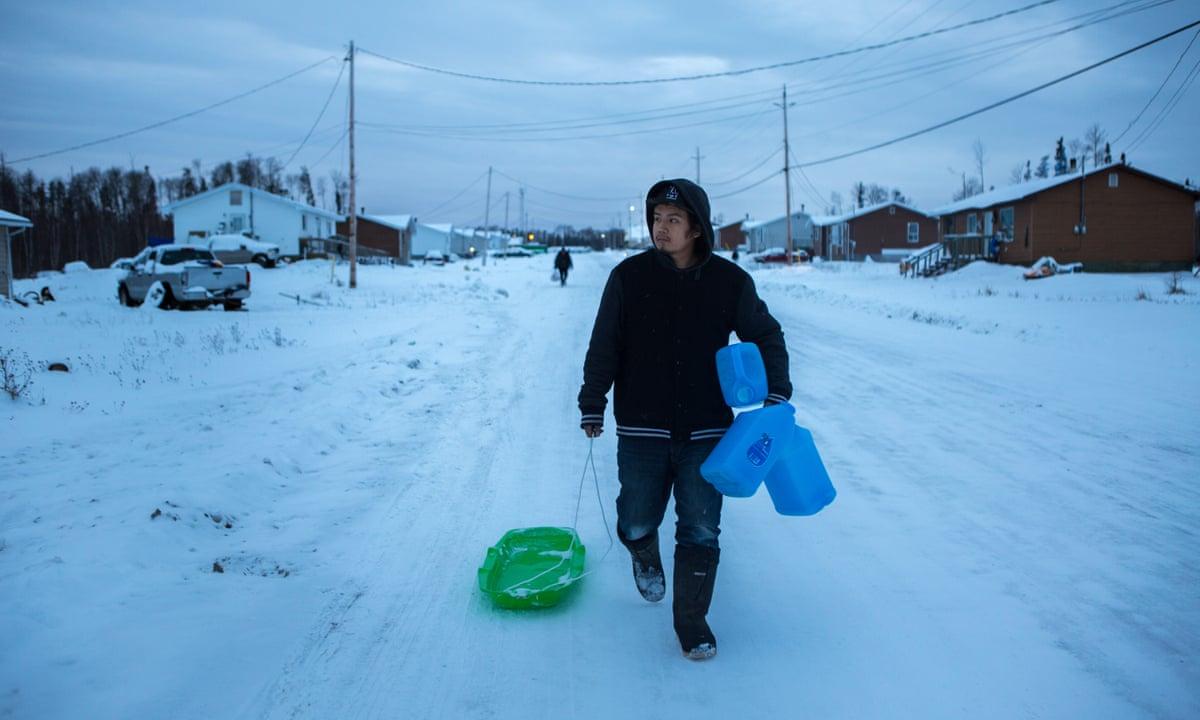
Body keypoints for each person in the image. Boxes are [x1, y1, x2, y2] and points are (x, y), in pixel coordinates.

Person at [578, 178, 791, 660]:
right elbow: (603, 344)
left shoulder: (729, 282)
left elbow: (766, 333)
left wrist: (777, 392)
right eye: (656, 219)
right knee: (635, 521)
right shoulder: (628, 278)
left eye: (673, 220)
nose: (661, 228)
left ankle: (692, 623)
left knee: (700, 529)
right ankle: (643, 553)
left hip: (707, 432)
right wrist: (593, 400)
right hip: (642, 429)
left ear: (697, 228)